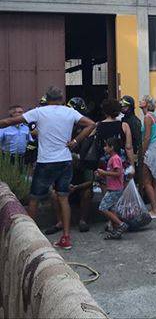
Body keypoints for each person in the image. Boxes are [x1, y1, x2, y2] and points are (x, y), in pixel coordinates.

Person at [0, 86, 95, 250]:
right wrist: (75, 141)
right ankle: (66, 238)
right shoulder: (69, 112)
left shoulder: (38, 112)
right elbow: (91, 124)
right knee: (63, 198)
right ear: (61, 99)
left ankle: (30, 238)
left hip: (45, 162)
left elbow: (9, 122)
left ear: (47, 98)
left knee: (34, 198)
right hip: (65, 160)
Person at [46, 97, 93, 234]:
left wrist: (76, 187)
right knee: (54, 194)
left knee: (87, 192)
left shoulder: (87, 130)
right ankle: (60, 222)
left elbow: (90, 181)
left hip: (79, 182)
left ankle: (83, 220)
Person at [139, 95, 156, 219]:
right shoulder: (155, 116)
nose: (140, 101)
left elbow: (147, 137)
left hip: (150, 150)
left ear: (147, 104)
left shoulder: (147, 118)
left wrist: (142, 152)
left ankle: (154, 209)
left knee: (146, 181)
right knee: (154, 180)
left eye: (142, 100)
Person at [97, 136, 128, 239]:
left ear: (112, 147)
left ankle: (120, 224)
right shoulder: (112, 158)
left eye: (106, 146)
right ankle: (116, 231)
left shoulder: (115, 159)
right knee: (112, 209)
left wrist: (104, 172)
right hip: (113, 187)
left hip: (115, 189)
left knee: (103, 207)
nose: (104, 148)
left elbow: (118, 173)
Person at [94, 99, 136, 174]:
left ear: (104, 111)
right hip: (121, 162)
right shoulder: (124, 126)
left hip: (103, 163)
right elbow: (128, 147)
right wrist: (132, 166)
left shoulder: (98, 126)